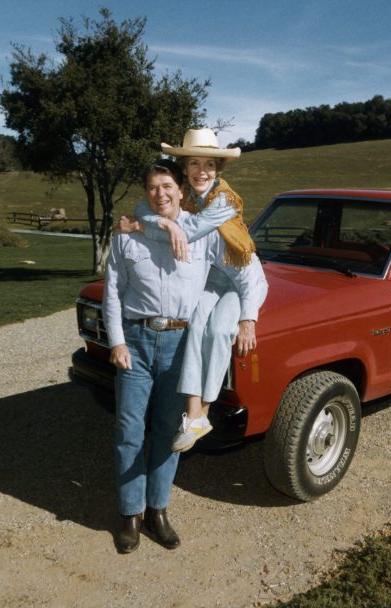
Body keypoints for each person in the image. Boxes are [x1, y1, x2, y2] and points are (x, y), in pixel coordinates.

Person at [104, 158, 265, 553]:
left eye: (167, 186)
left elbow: (247, 274)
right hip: (137, 345)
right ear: (147, 194)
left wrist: (247, 319)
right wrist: (116, 341)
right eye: (153, 188)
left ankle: (157, 512)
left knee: (167, 434)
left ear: (181, 191)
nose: (160, 193)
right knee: (128, 433)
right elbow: (112, 290)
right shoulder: (127, 235)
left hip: (179, 347)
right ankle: (130, 516)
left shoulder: (206, 234)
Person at [118, 128, 267, 453]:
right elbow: (142, 206)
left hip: (243, 277)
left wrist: (248, 319)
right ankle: (194, 414)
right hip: (212, 277)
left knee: (216, 330)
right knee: (194, 325)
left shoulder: (224, 201)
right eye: (195, 164)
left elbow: (190, 231)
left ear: (218, 169)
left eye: (210, 165)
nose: (203, 171)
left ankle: (207, 411)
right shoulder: (184, 194)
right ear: (183, 169)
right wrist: (165, 223)